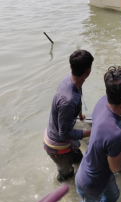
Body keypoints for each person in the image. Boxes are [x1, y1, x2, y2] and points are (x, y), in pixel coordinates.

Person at [75, 66, 121, 202]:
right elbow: (116, 167)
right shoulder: (114, 134)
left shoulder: (102, 102)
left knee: (113, 196)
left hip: (94, 170)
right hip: (91, 184)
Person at [44, 50, 93, 182]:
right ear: (88, 71)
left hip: (63, 136)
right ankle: (65, 194)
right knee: (67, 176)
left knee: (80, 160)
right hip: (56, 145)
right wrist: (91, 132)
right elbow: (64, 135)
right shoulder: (68, 101)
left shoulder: (71, 80)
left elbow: (78, 95)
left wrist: (80, 114)